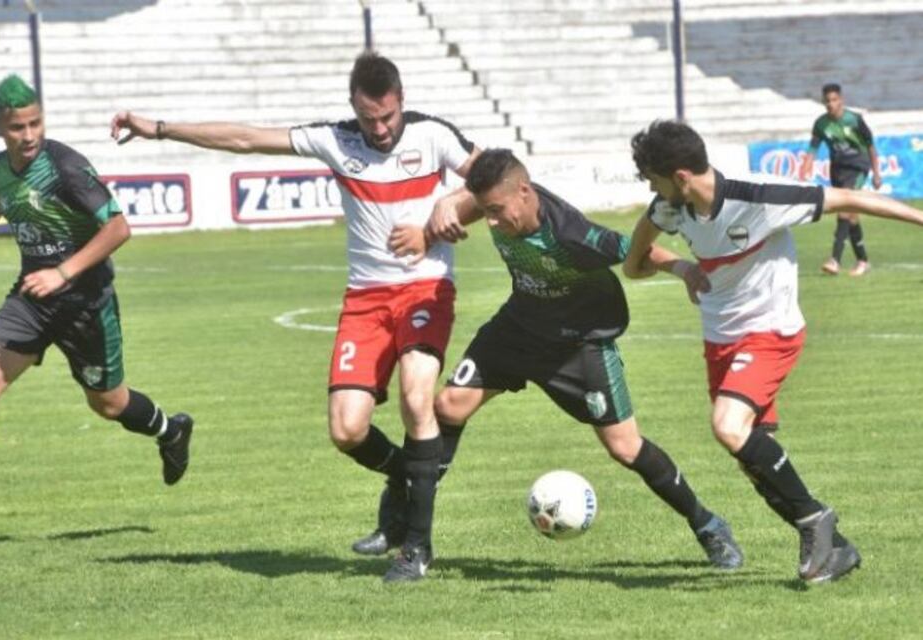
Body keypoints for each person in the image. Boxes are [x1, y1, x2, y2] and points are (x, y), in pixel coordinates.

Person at [110, 52, 480, 582]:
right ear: (354, 108)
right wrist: (160, 129)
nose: (380, 129)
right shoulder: (336, 140)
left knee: (416, 398)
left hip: (425, 290)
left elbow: (498, 176)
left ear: (403, 102)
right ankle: (408, 480)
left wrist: (448, 210)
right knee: (347, 429)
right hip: (365, 300)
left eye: (389, 117)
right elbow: (245, 138)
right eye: (369, 118)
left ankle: (416, 549)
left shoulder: (433, 136)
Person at [380, 148, 745, 570]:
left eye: (497, 212)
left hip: (580, 344)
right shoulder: (500, 201)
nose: (492, 222)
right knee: (448, 405)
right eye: (486, 212)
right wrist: (440, 217)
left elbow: (634, 249)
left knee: (625, 447)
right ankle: (411, 530)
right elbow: (472, 201)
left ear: (525, 192)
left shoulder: (570, 235)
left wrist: (684, 270)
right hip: (519, 328)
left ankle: (709, 525)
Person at [625, 119, 923, 583]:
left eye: (653, 177)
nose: (650, 186)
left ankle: (814, 520)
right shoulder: (669, 208)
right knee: (753, 462)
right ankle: (836, 551)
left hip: (770, 332)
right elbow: (635, 262)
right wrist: (682, 267)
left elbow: (849, 198)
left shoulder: (759, 197)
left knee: (728, 427)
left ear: (680, 176)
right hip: (719, 338)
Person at [0, 75, 193, 542]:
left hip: (85, 302)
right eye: (18, 127)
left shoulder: (66, 167)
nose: (30, 134)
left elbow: (118, 228)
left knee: (109, 403)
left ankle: (170, 431)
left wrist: (63, 272)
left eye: (36, 123)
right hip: (31, 299)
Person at [800, 83, 882, 277]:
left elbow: (870, 146)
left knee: (844, 210)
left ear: (841, 100)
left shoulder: (854, 120)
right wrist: (805, 170)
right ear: (823, 102)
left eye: (834, 100)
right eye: (827, 101)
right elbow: (812, 149)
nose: (831, 104)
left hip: (858, 167)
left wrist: (876, 172)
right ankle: (862, 260)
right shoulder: (821, 124)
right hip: (837, 170)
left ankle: (834, 260)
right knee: (851, 215)